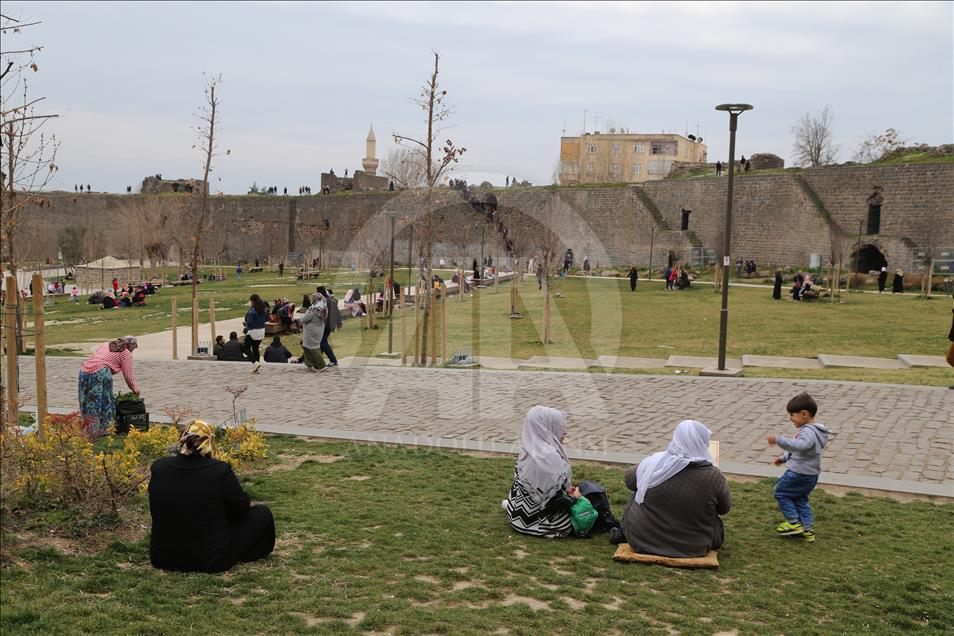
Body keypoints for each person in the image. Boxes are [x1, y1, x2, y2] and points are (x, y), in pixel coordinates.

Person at [148, 420, 275, 573]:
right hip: (211, 558)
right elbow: (242, 509)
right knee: (262, 514)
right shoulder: (220, 471)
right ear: (209, 442)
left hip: (163, 557)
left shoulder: (159, 467)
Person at [621, 420, 731, 558]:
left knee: (639, 488)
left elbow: (629, 480)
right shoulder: (713, 476)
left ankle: (631, 530)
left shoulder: (655, 464)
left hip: (643, 541)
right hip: (695, 547)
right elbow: (724, 508)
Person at [503, 406, 579, 538]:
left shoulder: (527, 450)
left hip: (516, 518)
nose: (565, 432)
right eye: (560, 426)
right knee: (589, 505)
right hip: (541, 525)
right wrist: (575, 499)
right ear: (547, 428)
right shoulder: (550, 459)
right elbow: (555, 503)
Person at [767, 392, 831, 543]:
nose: (790, 418)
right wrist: (783, 458)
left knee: (781, 492)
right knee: (800, 498)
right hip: (811, 475)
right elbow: (798, 450)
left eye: (792, 415)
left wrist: (779, 440)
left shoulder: (808, 432)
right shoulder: (814, 430)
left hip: (798, 473)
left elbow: (801, 446)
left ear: (804, 414)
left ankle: (793, 523)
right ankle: (807, 529)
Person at [78, 336, 140, 436]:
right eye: (133, 349)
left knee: (86, 401)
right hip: (100, 373)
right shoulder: (126, 353)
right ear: (130, 346)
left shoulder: (107, 344)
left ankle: (88, 430)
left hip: (84, 371)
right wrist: (135, 389)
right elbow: (128, 376)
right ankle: (103, 430)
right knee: (104, 401)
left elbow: (97, 356)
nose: (132, 351)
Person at [297, 292, 327, 372]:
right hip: (319, 330)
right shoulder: (323, 307)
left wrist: (299, 319)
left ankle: (321, 365)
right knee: (307, 346)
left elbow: (304, 319)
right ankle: (309, 364)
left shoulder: (313, 309)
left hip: (311, 332)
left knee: (313, 348)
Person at [243, 294, 268, 370]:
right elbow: (267, 318)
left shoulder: (252, 311)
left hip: (253, 331)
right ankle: (256, 366)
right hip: (262, 331)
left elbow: (250, 322)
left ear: (252, 301)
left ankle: (254, 362)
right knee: (255, 348)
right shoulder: (263, 309)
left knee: (245, 348)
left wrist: (246, 323)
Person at [318, 286, 340, 367]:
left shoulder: (323, 301)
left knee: (323, 342)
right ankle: (317, 359)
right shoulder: (331, 300)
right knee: (321, 342)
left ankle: (333, 360)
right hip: (331, 325)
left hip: (325, 325)